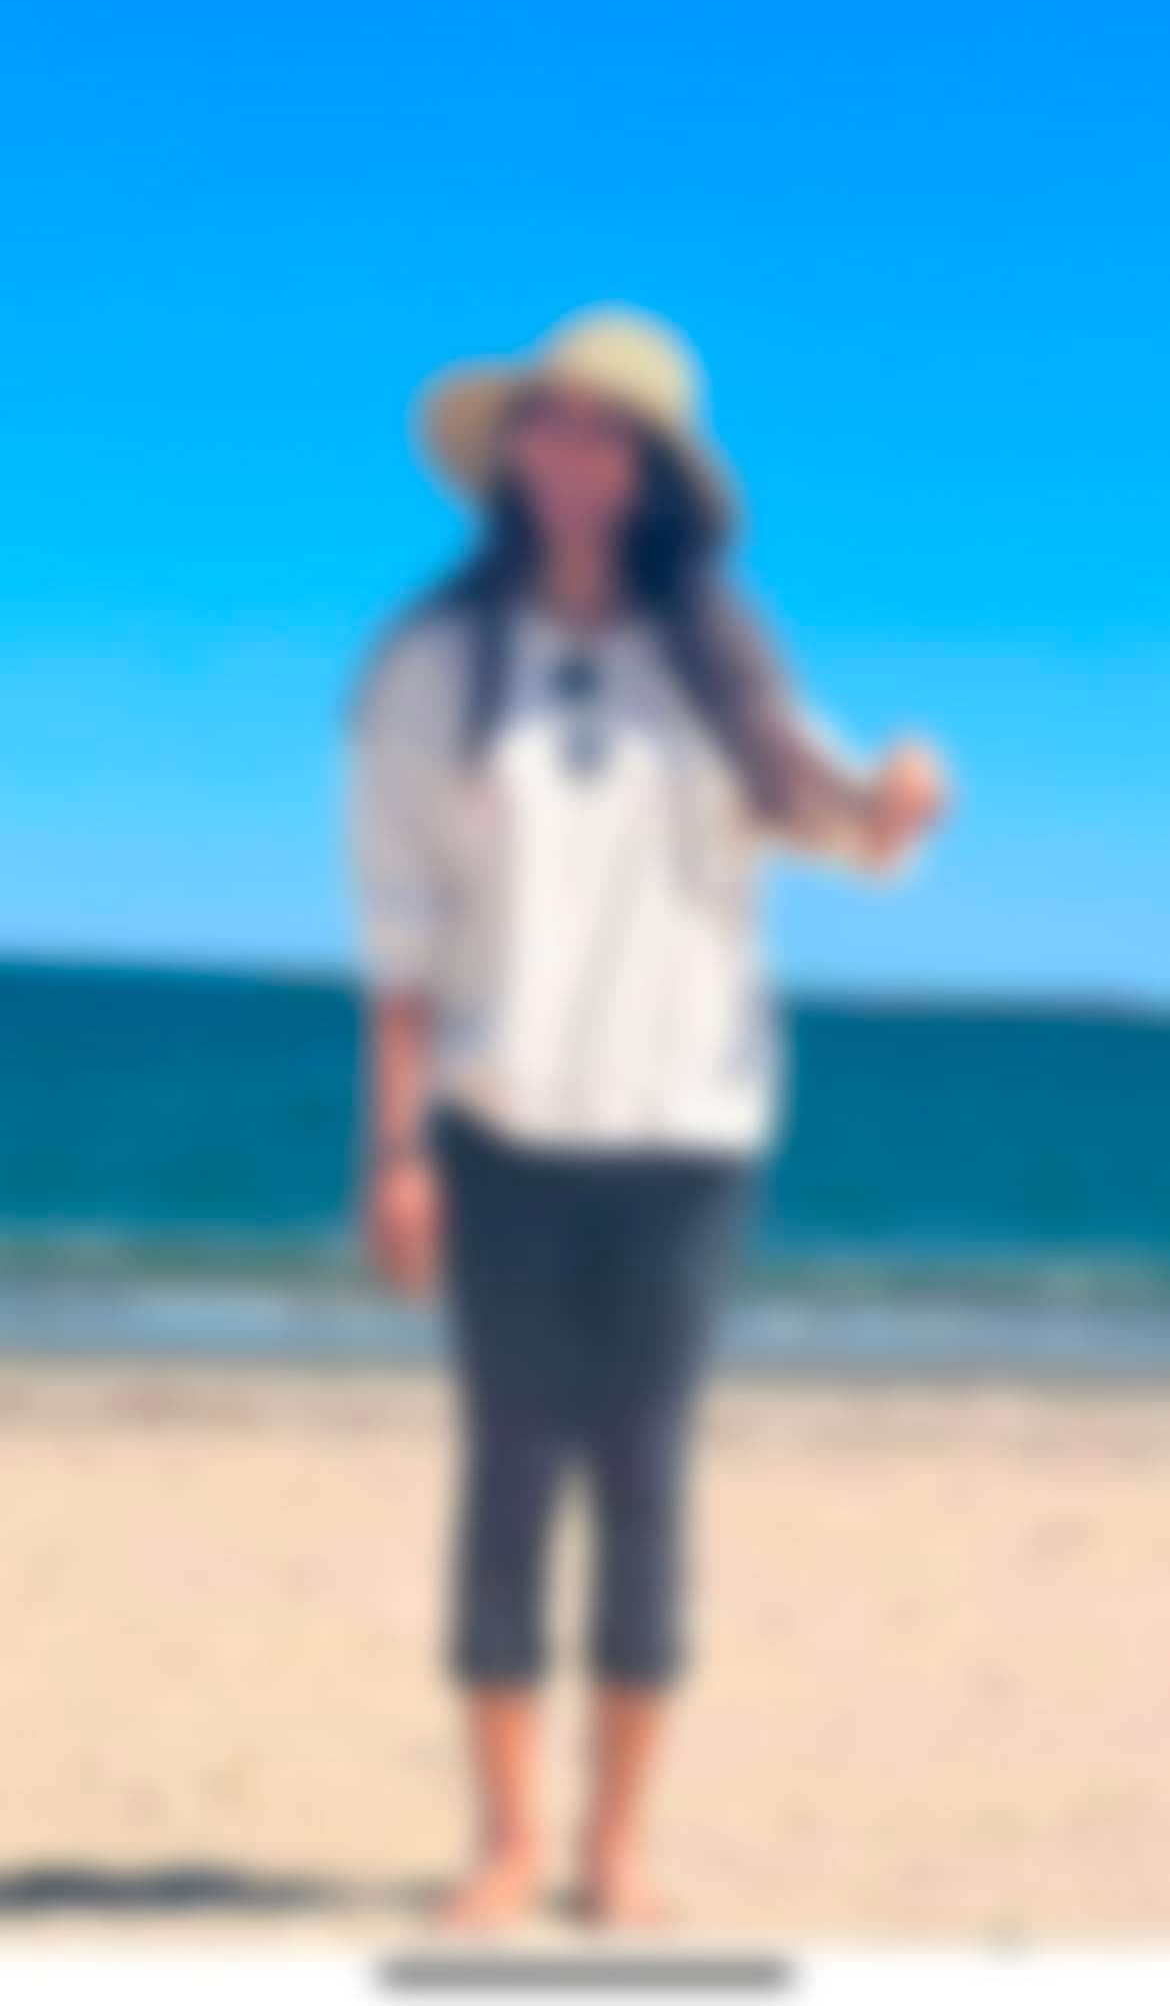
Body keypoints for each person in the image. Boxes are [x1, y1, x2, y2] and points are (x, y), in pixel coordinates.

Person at [347, 304, 947, 1929]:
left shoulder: (718, 662)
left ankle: (615, 1849)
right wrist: (395, 1150)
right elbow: (399, 938)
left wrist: (897, 801)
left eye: (607, 432)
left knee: (644, 1477)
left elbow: (838, 823)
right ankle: (506, 1841)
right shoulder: (430, 668)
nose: (572, 452)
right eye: (549, 421)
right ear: (512, 451)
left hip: (690, 1126)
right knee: (506, 1471)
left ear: (653, 473)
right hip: (500, 1123)